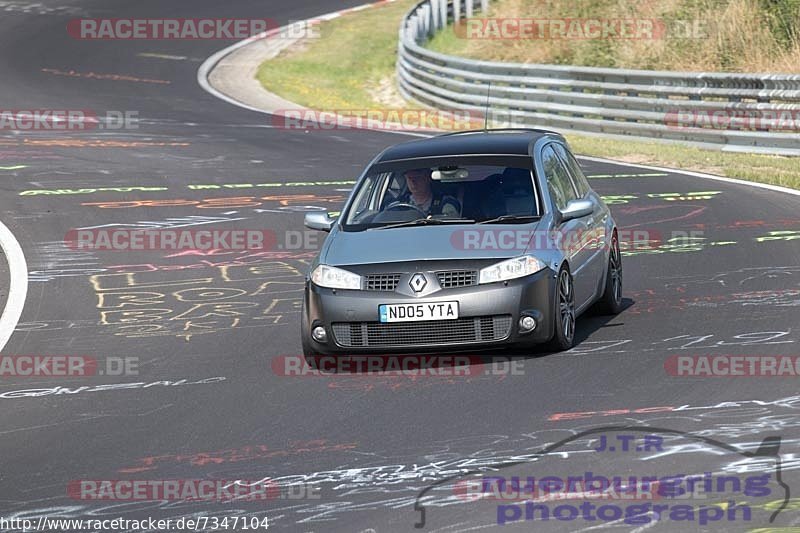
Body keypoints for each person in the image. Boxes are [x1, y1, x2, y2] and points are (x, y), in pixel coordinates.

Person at [391, 168, 461, 217]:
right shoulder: (399, 205)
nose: (413, 182)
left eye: (417, 178)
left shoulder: (445, 202)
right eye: (410, 178)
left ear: (427, 178)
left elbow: (451, 224)